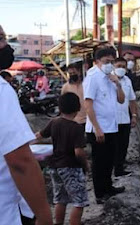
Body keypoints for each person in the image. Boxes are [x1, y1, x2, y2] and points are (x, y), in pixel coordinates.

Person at [0, 24, 53, 225]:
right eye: (1, 39)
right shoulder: (2, 90)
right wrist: (44, 217)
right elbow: (20, 161)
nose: (6, 45)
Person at [36, 93, 89, 225]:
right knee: (79, 201)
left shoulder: (54, 122)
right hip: (71, 167)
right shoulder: (76, 128)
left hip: (54, 166)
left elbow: (39, 135)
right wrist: (85, 165)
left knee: (60, 199)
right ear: (78, 108)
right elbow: (78, 152)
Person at [83, 47, 126, 204]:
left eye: (112, 61)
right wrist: (97, 128)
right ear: (97, 62)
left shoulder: (111, 77)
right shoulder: (93, 77)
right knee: (99, 162)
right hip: (98, 129)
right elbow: (88, 105)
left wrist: (118, 84)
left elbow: (121, 100)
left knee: (109, 159)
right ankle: (100, 193)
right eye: (107, 62)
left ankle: (108, 187)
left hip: (112, 126)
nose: (110, 64)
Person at [112, 58, 138, 176]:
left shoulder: (127, 80)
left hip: (125, 119)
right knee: (114, 146)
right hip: (112, 120)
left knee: (124, 145)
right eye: (119, 66)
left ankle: (119, 168)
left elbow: (132, 100)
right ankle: (113, 168)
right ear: (114, 66)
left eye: (123, 66)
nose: (121, 68)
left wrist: (134, 116)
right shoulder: (108, 80)